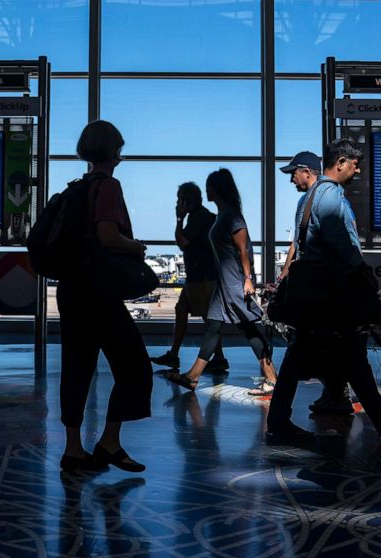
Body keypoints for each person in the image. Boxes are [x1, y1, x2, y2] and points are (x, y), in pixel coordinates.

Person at [266, 143, 381, 443]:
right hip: (332, 293)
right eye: (355, 164)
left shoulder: (309, 197)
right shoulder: (330, 195)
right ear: (340, 163)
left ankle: (279, 421)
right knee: (352, 356)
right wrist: (360, 270)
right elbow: (340, 242)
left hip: (316, 294)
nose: (358, 170)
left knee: (325, 357)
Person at [57, 120, 153, 474]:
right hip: (99, 293)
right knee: (135, 367)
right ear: (114, 149)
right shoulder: (109, 186)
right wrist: (137, 246)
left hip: (73, 289)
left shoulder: (77, 188)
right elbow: (108, 237)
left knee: (77, 368)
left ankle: (73, 449)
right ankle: (109, 440)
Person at [165, 169, 278, 395]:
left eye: (209, 187)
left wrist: (247, 279)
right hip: (223, 284)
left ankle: (272, 379)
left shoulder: (231, 216)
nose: (206, 191)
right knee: (213, 328)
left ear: (216, 189)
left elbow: (243, 249)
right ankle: (192, 377)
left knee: (248, 329)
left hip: (235, 282)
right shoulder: (222, 214)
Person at [149, 182, 227, 371]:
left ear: (186, 201)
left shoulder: (198, 218)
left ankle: (218, 358)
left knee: (209, 319)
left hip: (201, 277)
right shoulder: (204, 216)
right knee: (183, 309)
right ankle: (176, 355)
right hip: (201, 275)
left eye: (179, 199)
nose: (177, 203)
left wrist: (178, 220)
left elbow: (182, 242)